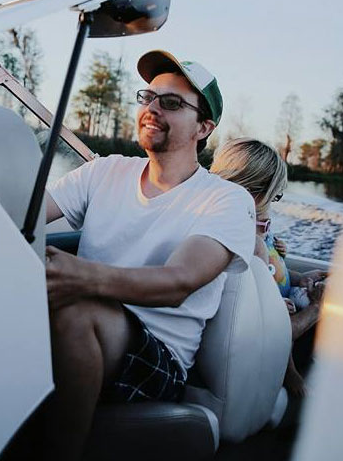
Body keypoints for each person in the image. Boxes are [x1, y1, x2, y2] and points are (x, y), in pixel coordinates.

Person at [42, 50, 256, 459]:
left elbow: (179, 282)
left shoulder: (226, 201)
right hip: (91, 324)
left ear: (203, 128)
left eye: (172, 103)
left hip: (156, 354)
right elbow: (27, 212)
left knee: (76, 310)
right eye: (149, 97)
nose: (152, 109)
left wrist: (80, 277)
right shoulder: (105, 171)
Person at [210, 137, 327, 397]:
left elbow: (277, 271)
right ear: (255, 192)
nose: (274, 204)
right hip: (276, 335)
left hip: (280, 304)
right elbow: (272, 328)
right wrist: (318, 308)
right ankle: (293, 378)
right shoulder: (249, 242)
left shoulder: (262, 233)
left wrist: (299, 277)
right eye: (275, 195)